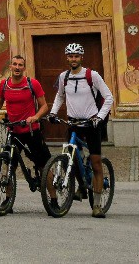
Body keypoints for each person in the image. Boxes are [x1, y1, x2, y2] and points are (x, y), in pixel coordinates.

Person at [49, 42, 114, 217]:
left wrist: (99, 117)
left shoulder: (92, 75)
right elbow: (60, 96)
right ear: (67, 58)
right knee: (71, 156)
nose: (73, 59)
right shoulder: (64, 77)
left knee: (96, 163)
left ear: (81, 57)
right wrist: (53, 113)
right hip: (73, 123)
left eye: (76, 56)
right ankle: (82, 187)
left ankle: (98, 205)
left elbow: (109, 97)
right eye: (70, 56)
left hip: (91, 123)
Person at [0, 54, 52, 206]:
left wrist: (35, 117)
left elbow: (44, 106)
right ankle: (8, 201)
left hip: (31, 130)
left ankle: (53, 199)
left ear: (24, 68)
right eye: (15, 64)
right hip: (13, 131)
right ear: (10, 67)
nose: (17, 67)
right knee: (9, 165)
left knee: (43, 164)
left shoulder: (32, 83)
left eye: (20, 65)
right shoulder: (4, 84)